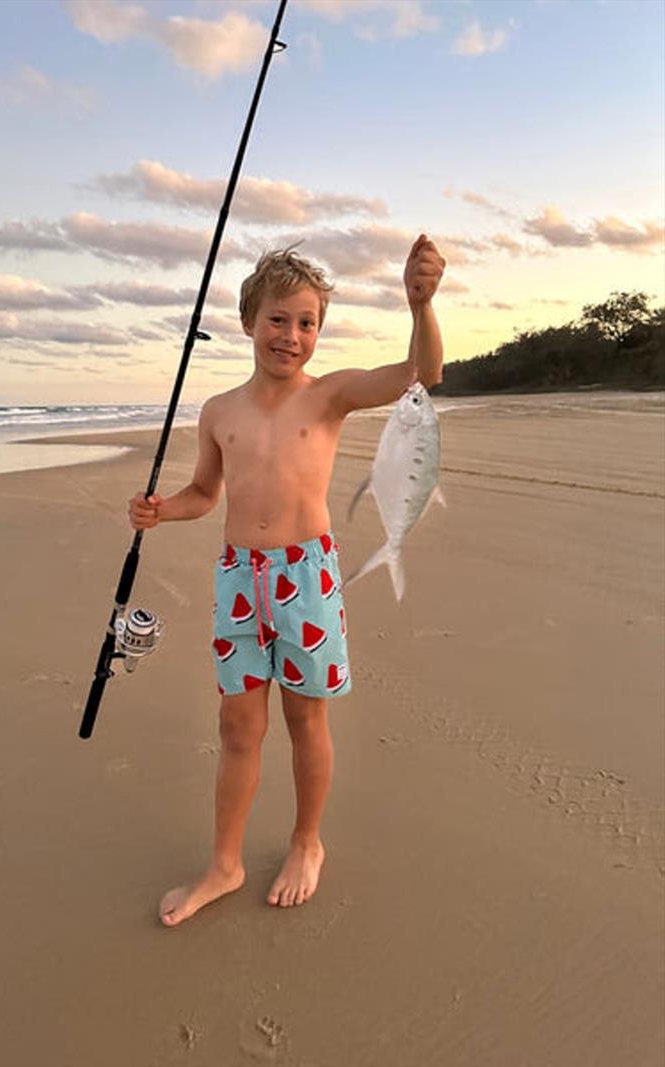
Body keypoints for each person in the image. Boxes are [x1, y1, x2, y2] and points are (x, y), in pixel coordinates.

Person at [129, 235, 445, 927]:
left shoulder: (331, 396)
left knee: (307, 718)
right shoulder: (218, 411)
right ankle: (225, 863)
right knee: (238, 724)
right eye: (278, 318)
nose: (291, 335)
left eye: (307, 323)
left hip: (306, 575)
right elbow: (204, 493)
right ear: (248, 320)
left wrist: (420, 305)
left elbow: (420, 373)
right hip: (239, 576)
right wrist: (161, 511)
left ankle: (308, 841)